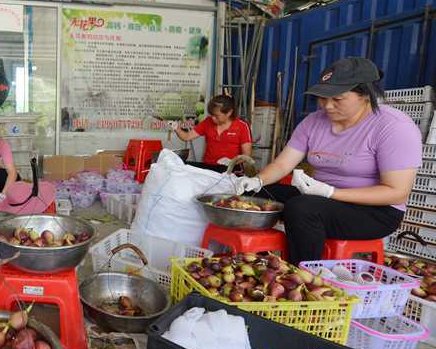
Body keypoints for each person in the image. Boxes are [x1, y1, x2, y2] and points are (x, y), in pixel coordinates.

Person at [235, 57, 421, 264]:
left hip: (375, 211)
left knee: (302, 209)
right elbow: (282, 164)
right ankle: (258, 262)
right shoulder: (313, 122)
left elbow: (397, 192)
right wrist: (258, 180)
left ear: (365, 96)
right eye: (322, 98)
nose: (328, 106)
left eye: (338, 99)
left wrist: (331, 192)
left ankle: (303, 274)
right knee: (254, 195)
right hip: (321, 198)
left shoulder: (394, 127)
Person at [172, 94, 252, 172]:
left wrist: (232, 162)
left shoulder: (242, 126)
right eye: (212, 115)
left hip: (231, 169)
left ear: (229, 113)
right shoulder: (207, 122)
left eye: (216, 116)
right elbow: (187, 137)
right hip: (209, 167)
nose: (213, 118)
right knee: (181, 166)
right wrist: (176, 128)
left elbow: (246, 155)